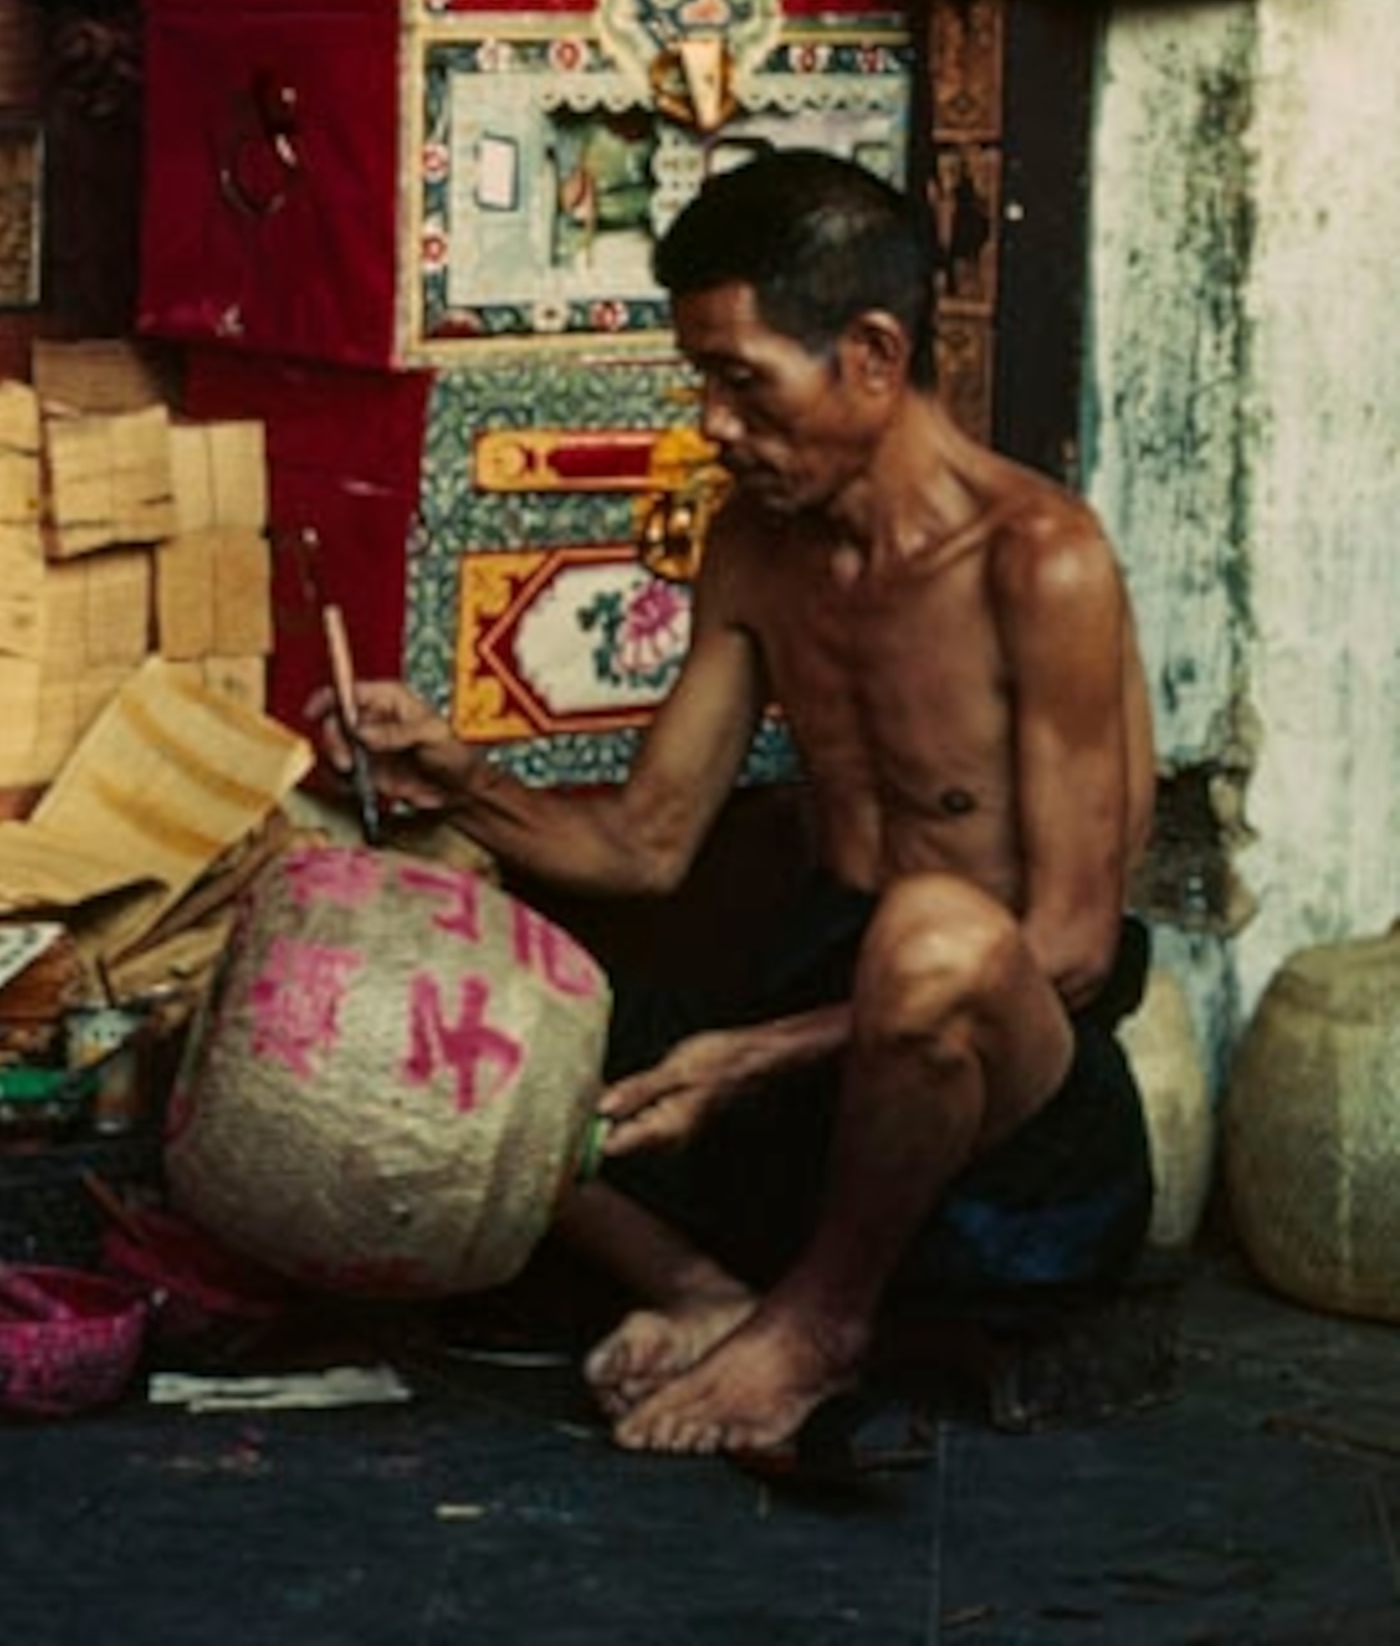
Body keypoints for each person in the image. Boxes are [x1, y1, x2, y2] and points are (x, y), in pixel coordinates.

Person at [310, 147, 1156, 1466]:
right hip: (820, 1039)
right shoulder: (756, 546)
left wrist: (752, 1055)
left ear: (871, 356)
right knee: (472, 1026)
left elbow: (1075, 946)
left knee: (934, 935)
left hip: (1007, 1087)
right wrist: (456, 781)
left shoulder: (1041, 562)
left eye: (743, 382)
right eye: (702, 380)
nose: (712, 423)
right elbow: (644, 849)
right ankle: (712, 1297)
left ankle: (813, 1327)